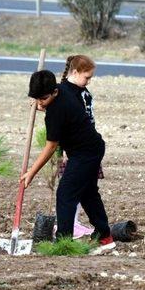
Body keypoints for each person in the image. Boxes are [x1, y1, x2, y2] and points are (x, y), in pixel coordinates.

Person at [21, 69, 115, 254]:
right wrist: (42, 104)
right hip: (92, 148)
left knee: (65, 194)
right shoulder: (62, 89)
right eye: (37, 98)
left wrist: (31, 172)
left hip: (85, 153)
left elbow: (50, 147)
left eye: (43, 98)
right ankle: (105, 237)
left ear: (54, 92)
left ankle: (63, 244)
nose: (40, 103)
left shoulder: (55, 112)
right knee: (88, 193)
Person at [58, 55, 104, 239]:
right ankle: (97, 231)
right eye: (87, 77)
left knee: (81, 190)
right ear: (75, 72)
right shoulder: (65, 93)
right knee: (82, 190)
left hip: (84, 147)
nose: (89, 82)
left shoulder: (83, 94)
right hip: (77, 148)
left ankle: (73, 229)